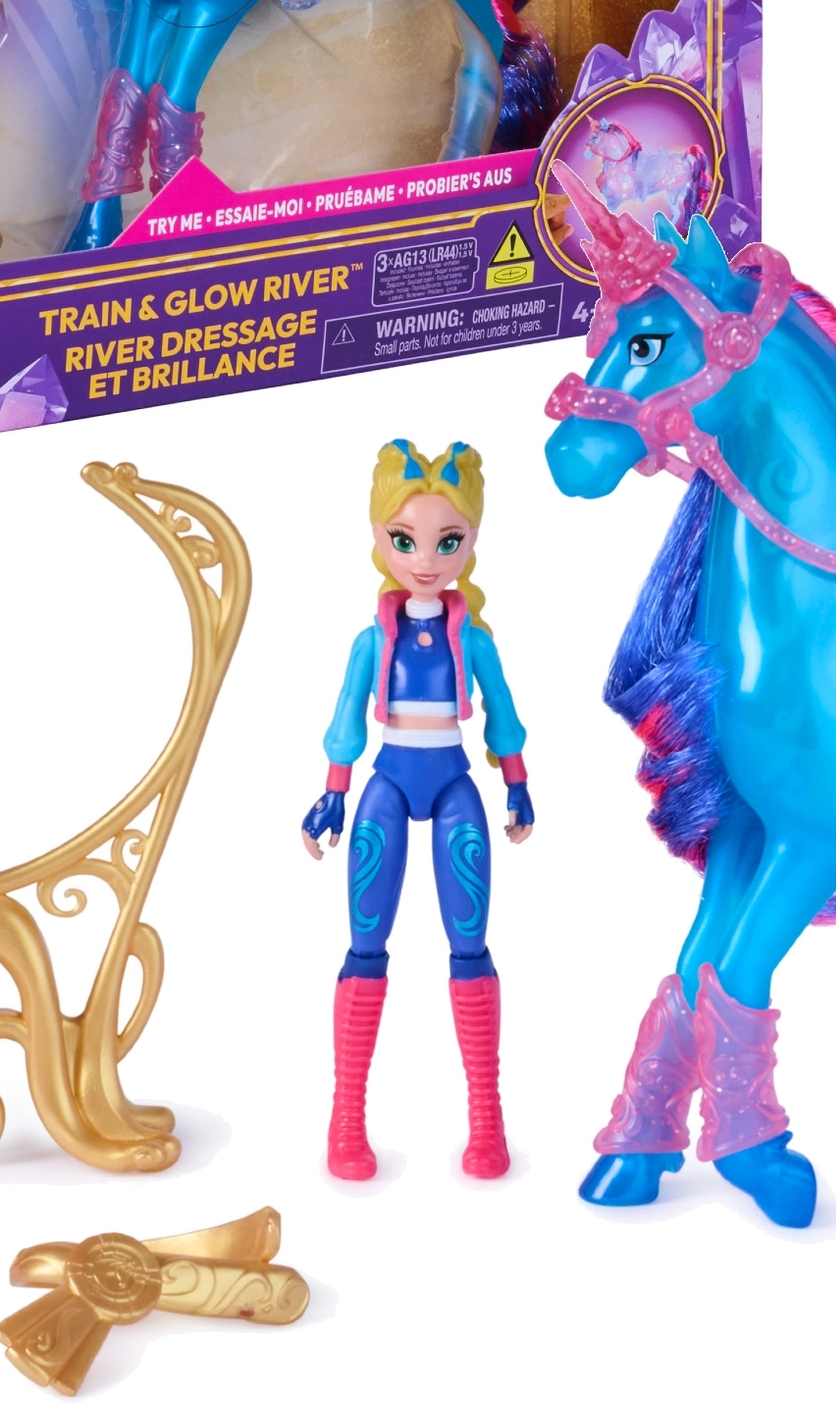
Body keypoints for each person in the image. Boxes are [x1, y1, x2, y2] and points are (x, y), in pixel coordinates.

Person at [302, 440, 534, 1180]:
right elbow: (346, 716)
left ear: (472, 539)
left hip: (456, 782)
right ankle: (346, 1119)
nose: (426, 559)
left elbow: (502, 715)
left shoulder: (475, 639)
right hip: (389, 783)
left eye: (447, 540)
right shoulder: (372, 640)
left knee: (469, 943)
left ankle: (487, 1120)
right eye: (405, 540)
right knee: (365, 943)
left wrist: (517, 781)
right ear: (378, 538)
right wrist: (333, 791)